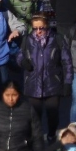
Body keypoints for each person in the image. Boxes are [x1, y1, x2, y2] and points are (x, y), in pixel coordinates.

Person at [18, 13, 72, 141]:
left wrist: (67, 83)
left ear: (46, 26)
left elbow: (67, 61)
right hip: (33, 84)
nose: (38, 31)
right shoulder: (27, 39)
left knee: (52, 115)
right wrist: (23, 62)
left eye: (41, 28)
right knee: (34, 116)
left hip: (52, 83)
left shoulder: (57, 39)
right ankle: (35, 138)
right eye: (35, 28)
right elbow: (19, 55)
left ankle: (51, 135)